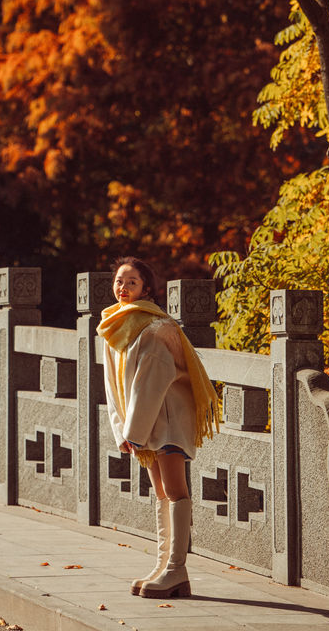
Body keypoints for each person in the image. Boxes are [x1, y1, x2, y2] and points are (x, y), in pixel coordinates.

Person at [96, 256, 219, 599]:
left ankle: (177, 570)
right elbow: (113, 384)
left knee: (175, 490)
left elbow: (151, 382)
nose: (123, 288)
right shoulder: (114, 324)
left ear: (146, 289)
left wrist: (133, 432)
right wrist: (123, 430)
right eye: (120, 281)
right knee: (161, 493)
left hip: (167, 419)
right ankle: (163, 563)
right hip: (145, 423)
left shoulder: (152, 327)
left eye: (132, 282)